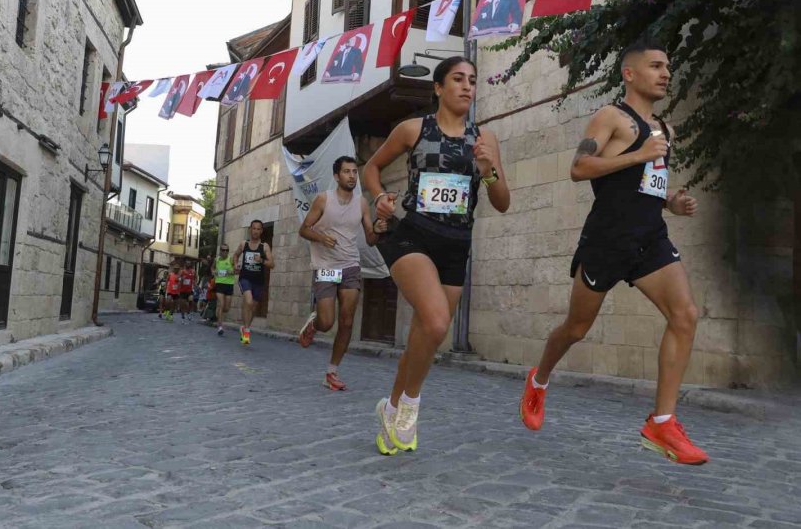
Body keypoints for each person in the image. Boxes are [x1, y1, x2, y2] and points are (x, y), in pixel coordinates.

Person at [519, 40, 708, 465]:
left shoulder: (665, 129)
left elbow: (645, 184)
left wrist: (671, 203)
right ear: (630, 73)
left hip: (650, 239)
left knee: (685, 315)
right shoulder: (610, 118)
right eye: (656, 66)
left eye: (668, 66)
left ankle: (661, 422)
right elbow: (579, 168)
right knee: (576, 328)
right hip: (606, 240)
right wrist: (639, 153)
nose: (665, 73)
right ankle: (540, 378)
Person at [362, 56, 510, 455]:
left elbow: (502, 203)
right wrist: (379, 198)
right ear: (439, 88)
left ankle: (390, 407)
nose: (467, 86)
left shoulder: (485, 140)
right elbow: (371, 168)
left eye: (472, 80)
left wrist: (488, 169)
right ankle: (410, 409)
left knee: (425, 336)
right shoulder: (413, 129)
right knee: (437, 320)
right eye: (458, 79)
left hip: (456, 243)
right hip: (413, 234)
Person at [297, 156, 387, 391]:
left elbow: (370, 238)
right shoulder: (323, 200)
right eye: (347, 172)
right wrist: (321, 237)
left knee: (347, 322)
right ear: (337, 176)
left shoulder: (362, 204)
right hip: (326, 266)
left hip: (350, 266)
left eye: (354, 172)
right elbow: (304, 229)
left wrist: (377, 229)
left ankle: (332, 372)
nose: (352, 176)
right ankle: (316, 322)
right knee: (328, 322)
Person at [233, 221, 275, 344]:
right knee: (249, 301)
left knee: (252, 307)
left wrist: (261, 260)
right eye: (254, 228)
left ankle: (245, 327)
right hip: (245, 278)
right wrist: (236, 265)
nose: (256, 231)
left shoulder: (264, 246)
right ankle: (246, 332)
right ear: (250, 230)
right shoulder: (243, 244)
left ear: (261, 231)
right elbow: (235, 256)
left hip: (258, 281)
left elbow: (272, 264)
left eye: (258, 229)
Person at [213, 243, 236, 336]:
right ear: (220, 251)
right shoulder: (217, 260)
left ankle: (218, 311)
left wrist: (233, 270)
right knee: (222, 304)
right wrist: (214, 272)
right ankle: (220, 327)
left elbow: (236, 269)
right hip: (219, 284)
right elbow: (212, 268)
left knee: (226, 308)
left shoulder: (230, 259)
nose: (225, 252)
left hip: (229, 285)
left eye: (227, 250)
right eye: (223, 250)